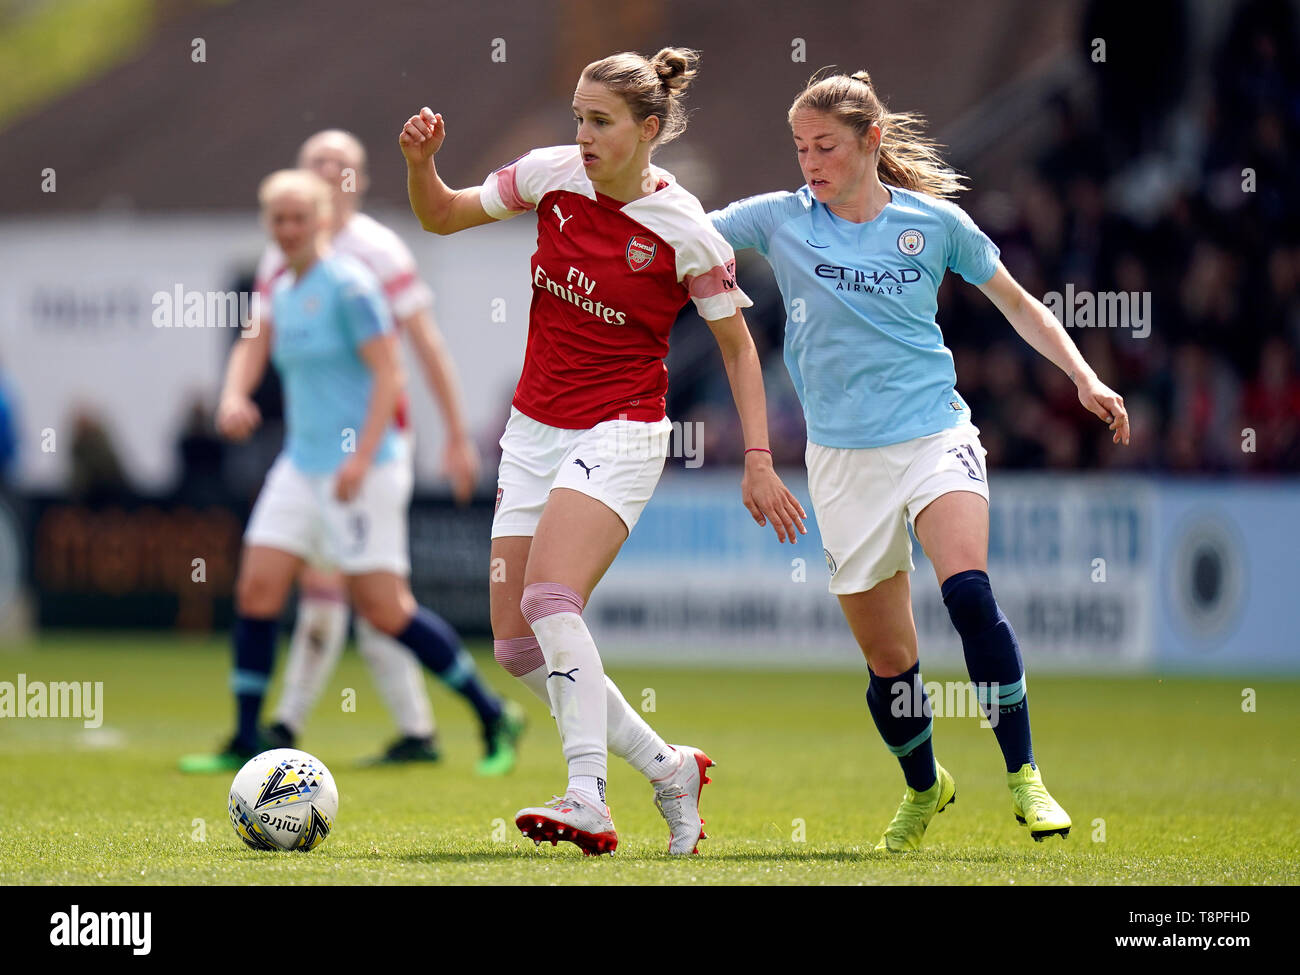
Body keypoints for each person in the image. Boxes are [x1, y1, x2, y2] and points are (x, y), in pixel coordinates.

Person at [709, 70, 1130, 851]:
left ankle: (1025, 776)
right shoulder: (778, 220)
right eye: (801, 148)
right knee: (890, 661)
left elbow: (1018, 302)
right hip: (842, 461)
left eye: (826, 146)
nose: (810, 162)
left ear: (872, 141)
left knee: (968, 591)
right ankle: (925, 785)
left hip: (934, 434)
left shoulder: (934, 224)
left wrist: (1083, 373)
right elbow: (687, 232)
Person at [400, 47, 806, 855]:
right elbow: (440, 214)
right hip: (533, 431)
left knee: (553, 600)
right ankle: (668, 766)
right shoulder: (552, 174)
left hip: (621, 428)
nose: (582, 135)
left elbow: (739, 348)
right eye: (578, 118)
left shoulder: (686, 229)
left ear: (649, 129)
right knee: (517, 645)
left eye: (601, 122)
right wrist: (422, 164)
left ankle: (587, 792)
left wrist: (758, 458)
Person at [179, 170, 523, 776]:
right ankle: (244, 737)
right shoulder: (281, 286)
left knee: (385, 611)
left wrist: (360, 459)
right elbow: (251, 347)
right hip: (300, 466)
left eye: (298, 219)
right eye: (277, 220)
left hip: (363, 467)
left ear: (322, 221)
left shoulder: (352, 286)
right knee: (257, 588)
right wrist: (233, 396)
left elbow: (390, 375)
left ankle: (492, 712)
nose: (287, 230)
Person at [252, 130, 483, 766]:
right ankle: (336, 728)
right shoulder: (285, 249)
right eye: (317, 164)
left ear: (359, 179)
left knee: (366, 598)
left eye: (342, 166)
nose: (329, 173)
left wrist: (457, 435)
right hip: (313, 454)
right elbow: (262, 339)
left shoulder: (376, 252)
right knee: (342, 595)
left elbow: (425, 345)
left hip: (373, 450)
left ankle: (299, 727)